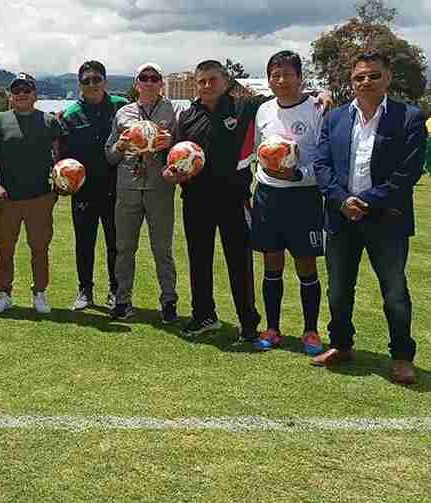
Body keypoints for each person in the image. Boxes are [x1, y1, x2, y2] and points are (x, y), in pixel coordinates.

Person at [312, 51, 426, 385]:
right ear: (351, 81)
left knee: (394, 292)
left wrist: (364, 201)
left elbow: (407, 172)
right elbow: (322, 166)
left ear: (388, 77)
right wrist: (342, 199)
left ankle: (403, 356)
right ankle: (342, 345)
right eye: (359, 77)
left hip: (386, 220)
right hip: (341, 218)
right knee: (338, 291)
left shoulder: (409, 117)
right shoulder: (335, 119)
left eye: (373, 75)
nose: (366, 82)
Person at [165, 60, 262, 342]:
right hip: (195, 200)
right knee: (199, 259)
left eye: (212, 80)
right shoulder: (188, 117)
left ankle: (248, 322)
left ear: (225, 81)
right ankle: (204, 316)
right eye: (202, 81)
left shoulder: (243, 108)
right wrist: (171, 173)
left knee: (239, 261)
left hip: (234, 199)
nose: (207, 85)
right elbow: (177, 157)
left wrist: (320, 96)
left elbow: (280, 100)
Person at [249, 51, 326, 355]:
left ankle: (310, 331)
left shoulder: (317, 109)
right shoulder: (264, 110)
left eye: (287, 74)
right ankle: (273, 328)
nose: (280, 80)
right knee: (272, 262)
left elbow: (323, 160)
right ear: (268, 79)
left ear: (300, 77)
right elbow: (259, 149)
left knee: (305, 263)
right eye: (275, 75)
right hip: (269, 195)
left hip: (303, 196)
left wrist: (296, 174)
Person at [0, 73, 62, 314]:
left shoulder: (49, 122)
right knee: (5, 248)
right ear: (11, 95)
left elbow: (59, 157)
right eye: (17, 90)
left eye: (26, 89)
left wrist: (59, 185)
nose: (21, 94)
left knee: (40, 248)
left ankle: (40, 293)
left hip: (40, 197)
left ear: (34, 94)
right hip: (8, 199)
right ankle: (4, 293)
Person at [105, 62, 178, 322]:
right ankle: (123, 300)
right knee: (124, 248)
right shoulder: (123, 113)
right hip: (128, 187)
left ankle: (169, 300)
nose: (149, 82)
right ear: (136, 84)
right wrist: (121, 146)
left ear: (160, 83)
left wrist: (172, 143)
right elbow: (109, 154)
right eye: (144, 78)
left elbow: (183, 153)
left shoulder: (173, 110)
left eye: (154, 78)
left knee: (162, 248)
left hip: (159, 187)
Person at [58, 60, 126, 311]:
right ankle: (84, 290)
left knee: (115, 244)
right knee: (84, 242)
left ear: (105, 81)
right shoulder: (70, 114)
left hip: (116, 187)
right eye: (86, 81)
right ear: (80, 84)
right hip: (83, 189)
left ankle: (115, 290)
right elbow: (61, 153)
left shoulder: (121, 107)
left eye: (96, 79)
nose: (92, 84)